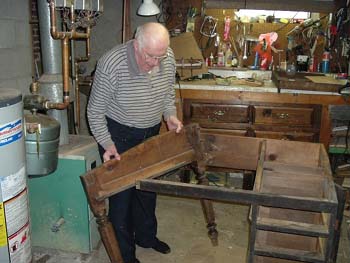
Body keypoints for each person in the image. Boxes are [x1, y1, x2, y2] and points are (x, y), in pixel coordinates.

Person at [87, 22, 183, 263]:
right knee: (122, 201)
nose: (156, 64)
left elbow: (167, 93)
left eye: (160, 57)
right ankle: (126, 257)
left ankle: (146, 238)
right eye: (151, 57)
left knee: (148, 191)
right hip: (118, 136)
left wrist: (169, 116)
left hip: (150, 132)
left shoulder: (166, 56)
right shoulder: (111, 63)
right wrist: (107, 144)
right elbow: (95, 111)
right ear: (135, 44)